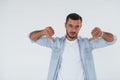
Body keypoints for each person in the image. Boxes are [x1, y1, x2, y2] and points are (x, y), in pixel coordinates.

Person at [29, 13, 117, 80]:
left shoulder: (87, 44)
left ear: (80, 27)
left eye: (77, 26)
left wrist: (102, 33)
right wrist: (43, 32)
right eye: (70, 26)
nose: (73, 30)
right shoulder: (56, 43)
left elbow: (113, 40)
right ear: (65, 25)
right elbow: (32, 37)